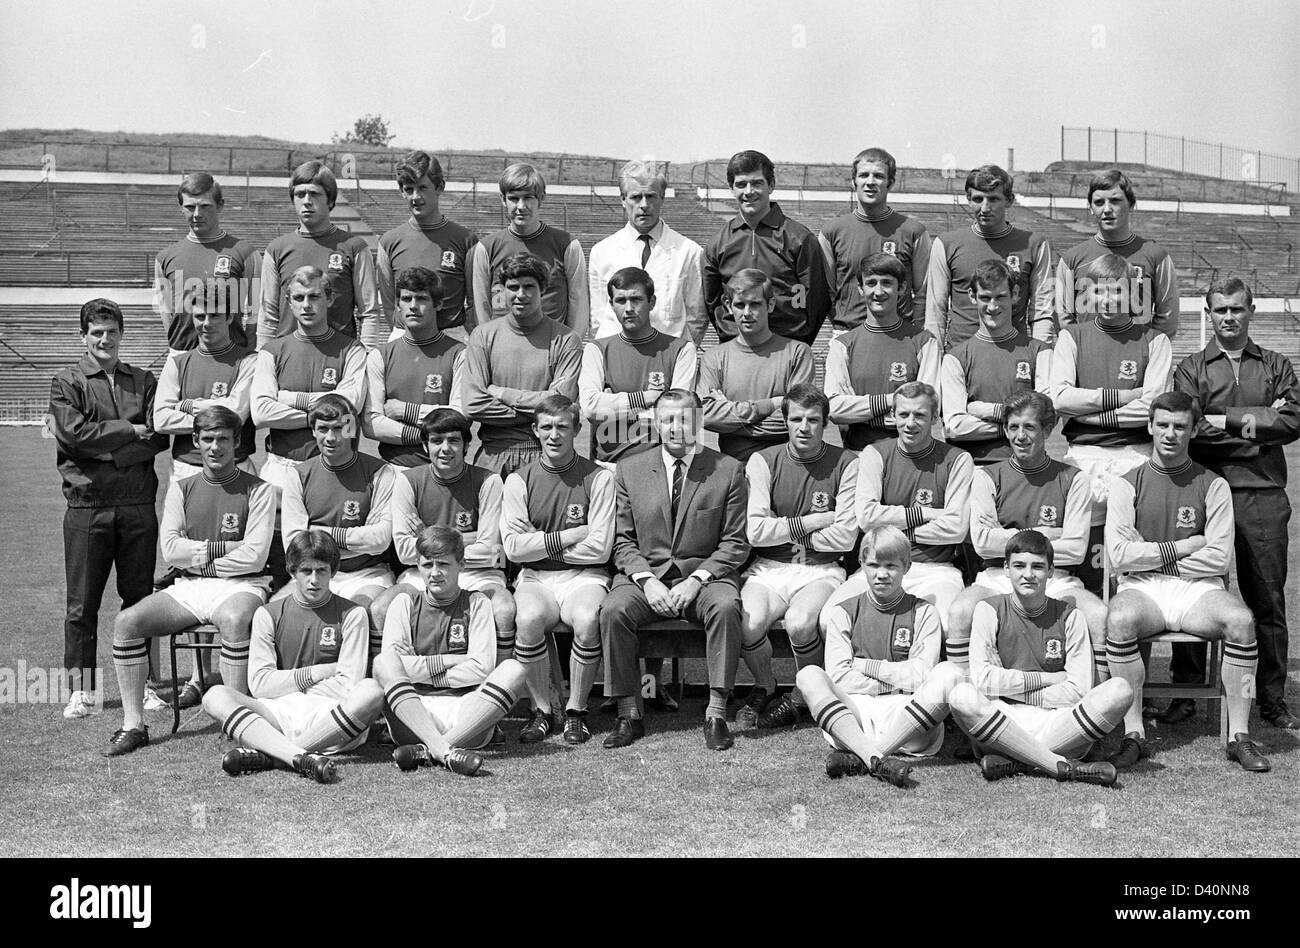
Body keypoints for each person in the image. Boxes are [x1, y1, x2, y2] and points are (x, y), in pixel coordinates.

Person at [1104, 391, 1271, 772]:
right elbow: (1119, 555)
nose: (1169, 434)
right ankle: (1134, 733)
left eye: (1179, 426)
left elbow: (1218, 556)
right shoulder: (1126, 484)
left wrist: (1155, 556)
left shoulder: (1213, 485)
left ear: (1194, 429)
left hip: (1198, 590)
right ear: (1149, 426)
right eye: (1162, 425)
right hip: (1142, 589)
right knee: (1119, 619)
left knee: (1242, 622)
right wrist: (1185, 546)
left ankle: (1239, 735)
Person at [100, 407, 275, 756]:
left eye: (223, 439)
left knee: (236, 619)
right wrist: (226, 547)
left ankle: (237, 720)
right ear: (195, 441)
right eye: (207, 439)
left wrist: (198, 554)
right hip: (191, 585)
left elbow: (254, 556)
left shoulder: (260, 490)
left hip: (244, 584)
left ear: (237, 442)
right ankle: (134, 724)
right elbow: (171, 551)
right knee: (128, 622)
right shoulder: (181, 489)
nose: (215, 447)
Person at [1169, 278, 1300, 729]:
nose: (1229, 317)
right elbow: (1190, 428)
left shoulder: (1276, 364)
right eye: (1220, 309)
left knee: (1267, 599)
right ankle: (1185, 692)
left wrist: (1224, 420)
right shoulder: (1191, 368)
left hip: (1260, 495)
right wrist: (1259, 431)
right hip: (1203, 491)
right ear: (1208, 313)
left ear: (1251, 311)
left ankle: (1270, 696)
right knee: (1194, 593)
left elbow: (1293, 420)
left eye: (1237, 309)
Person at [600, 390, 750, 751]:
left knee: (727, 606)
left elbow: (735, 543)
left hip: (704, 577)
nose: (676, 427)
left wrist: (697, 580)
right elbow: (622, 541)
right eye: (667, 419)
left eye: (684, 418)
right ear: (656, 422)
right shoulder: (630, 469)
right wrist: (647, 581)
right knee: (613, 609)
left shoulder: (727, 470)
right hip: (646, 577)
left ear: (698, 421)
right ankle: (628, 713)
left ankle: (716, 713)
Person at [48, 298, 168, 720]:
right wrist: (127, 431)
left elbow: (158, 436)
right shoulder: (67, 381)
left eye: (111, 331)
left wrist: (110, 452)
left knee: (139, 600)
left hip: (137, 503)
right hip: (88, 505)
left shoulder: (145, 379)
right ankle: (82, 690)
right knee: (82, 604)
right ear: (83, 336)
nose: (104, 339)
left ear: (121, 334)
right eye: (96, 332)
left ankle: (148, 684)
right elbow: (73, 435)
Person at [947, 391, 1109, 683]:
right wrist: (1046, 534)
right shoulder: (987, 476)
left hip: (1056, 579)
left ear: (1047, 430)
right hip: (998, 575)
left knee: (1097, 614)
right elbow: (983, 543)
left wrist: (1006, 537)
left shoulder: (1074, 478)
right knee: (960, 610)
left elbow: (1074, 550)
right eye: (1013, 427)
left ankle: (1095, 705)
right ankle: (962, 701)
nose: (1020, 436)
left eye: (1030, 427)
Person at [947, 530, 1130, 786]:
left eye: (1038, 567)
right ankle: (1062, 767)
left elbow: (1078, 691)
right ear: (1006, 569)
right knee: (961, 696)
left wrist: (1011, 687)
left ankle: (1017, 761)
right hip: (1004, 717)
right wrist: (1050, 678)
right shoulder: (988, 609)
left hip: (1057, 720)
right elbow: (983, 681)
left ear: (1051, 571)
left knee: (1120, 690)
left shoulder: (1070, 615)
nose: (1028, 574)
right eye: (1019, 565)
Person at [202, 532, 384, 784]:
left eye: (321, 570)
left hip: (330, 718)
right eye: (305, 571)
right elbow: (260, 685)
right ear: (291, 571)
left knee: (370, 691)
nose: (313, 580)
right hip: (278, 713)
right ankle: (298, 755)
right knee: (215, 695)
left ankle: (277, 754)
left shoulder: (352, 615)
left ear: (333, 571)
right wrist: (319, 672)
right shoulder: (268, 614)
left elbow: (347, 687)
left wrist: (285, 683)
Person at [797, 526, 962, 786]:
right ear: (861, 564)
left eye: (891, 566)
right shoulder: (843, 612)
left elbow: (921, 678)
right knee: (808, 675)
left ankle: (865, 756)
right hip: (855, 718)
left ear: (907, 566)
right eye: (873, 564)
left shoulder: (924, 612)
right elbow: (839, 678)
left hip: (909, 719)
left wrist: (863, 665)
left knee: (950, 673)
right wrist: (899, 675)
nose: (881, 574)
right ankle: (876, 760)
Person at [736, 384, 858, 731]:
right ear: (785, 421)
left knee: (801, 622)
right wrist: (814, 521)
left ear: (826, 423)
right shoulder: (763, 460)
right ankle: (766, 684)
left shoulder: (847, 463)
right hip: (770, 567)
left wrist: (783, 527)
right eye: (796, 419)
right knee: (748, 623)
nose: (804, 427)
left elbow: (845, 537)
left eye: (813, 420)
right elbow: (756, 531)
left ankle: (805, 695)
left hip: (820, 569)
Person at [1049, 253, 1172, 593]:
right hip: (1082, 457)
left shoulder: (1155, 340)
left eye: (1117, 290)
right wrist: (1121, 397)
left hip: (1136, 455)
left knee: (1133, 562)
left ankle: (1132, 637)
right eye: (1100, 290)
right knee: (1083, 557)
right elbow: (1059, 398)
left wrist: (1087, 413)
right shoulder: (1071, 336)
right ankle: (1090, 638)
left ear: (1134, 292)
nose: (1108, 299)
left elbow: (1153, 407)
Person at [500, 395, 614, 744]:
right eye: (546, 427)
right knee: (529, 617)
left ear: (577, 429)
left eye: (563, 426)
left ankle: (576, 712)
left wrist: (542, 545)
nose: (554, 434)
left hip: (587, 576)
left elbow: (601, 547)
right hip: (537, 577)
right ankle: (542, 710)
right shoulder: (519, 480)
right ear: (535, 430)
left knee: (587, 619)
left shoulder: (600, 477)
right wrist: (569, 537)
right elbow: (513, 547)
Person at [372, 526, 528, 776]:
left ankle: (430, 750)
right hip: (415, 708)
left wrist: (417, 665)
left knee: (513, 669)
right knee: (383, 662)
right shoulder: (404, 603)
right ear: (418, 565)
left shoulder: (477, 603)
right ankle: (445, 752)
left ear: (461, 564)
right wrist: (455, 660)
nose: (435, 573)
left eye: (443, 564)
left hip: (466, 709)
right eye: (427, 565)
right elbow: (393, 665)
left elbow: (481, 669)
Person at [250, 266, 367, 584]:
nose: (307, 304)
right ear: (288, 302)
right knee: (283, 567)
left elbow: (349, 406)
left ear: (329, 298)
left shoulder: (352, 349)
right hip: (283, 467)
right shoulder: (272, 351)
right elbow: (261, 412)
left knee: (331, 568)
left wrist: (288, 398)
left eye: (314, 296)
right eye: (298, 298)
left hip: (336, 470)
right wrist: (321, 415)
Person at [828, 382, 972, 631]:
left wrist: (890, 531)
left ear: (935, 417)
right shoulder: (874, 453)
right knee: (829, 618)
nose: (910, 423)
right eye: (903, 414)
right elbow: (867, 518)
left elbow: (956, 527)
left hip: (935, 570)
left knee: (947, 625)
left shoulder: (958, 459)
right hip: (880, 565)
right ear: (893, 415)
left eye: (920, 415)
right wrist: (927, 514)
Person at [377, 407, 515, 666]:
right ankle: (388, 689)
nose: (445, 448)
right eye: (437, 441)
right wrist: (470, 538)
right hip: (421, 574)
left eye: (453, 440)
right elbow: (405, 551)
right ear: (425, 445)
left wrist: (427, 536)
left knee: (504, 610)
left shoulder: (489, 481)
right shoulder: (407, 481)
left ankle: (501, 688)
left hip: (478, 574)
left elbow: (491, 551)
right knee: (380, 608)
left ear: (466, 445)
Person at [277, 394, 394, 665]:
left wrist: (322, 533)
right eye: (323, 429)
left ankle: (365, 688)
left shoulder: (380, 472)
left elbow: (379, 539)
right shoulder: (298, 474)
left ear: (352, 429)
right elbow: (294, 543)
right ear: (313, 430)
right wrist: (352, 540)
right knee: (273, 611)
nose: (331, 437)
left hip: (366, 574)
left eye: (340, 428)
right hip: (313, 572)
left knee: (359, 611)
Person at [463, 252, 582, 478]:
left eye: (529, 286)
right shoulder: (483, 336)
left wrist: (502, 393)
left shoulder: (566, 339)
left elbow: (561, 403)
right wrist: (538, 413)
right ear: (502, 290)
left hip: (546, 454)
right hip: (493, 455)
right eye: (513, 287)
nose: (520, 294)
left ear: (543, 290)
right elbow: (473, 404)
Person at [702, 149, 830, 346]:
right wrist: (730, 338)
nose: (749, 191)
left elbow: (816, 301)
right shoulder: (718, 244)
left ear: (771, 185)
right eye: (741, 184)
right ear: (731, 188)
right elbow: (713, 303)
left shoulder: (799, 238)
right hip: (737, 349)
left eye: (757, 183)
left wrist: (797, 343)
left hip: (787, 347)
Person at [925, 164, 1053, 348]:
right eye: (978, 199)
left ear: (1009, 200)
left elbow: (1042, 311)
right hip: (960, 357)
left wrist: (1042, 357)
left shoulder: (1034, 244)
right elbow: (936, 313)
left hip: (1014, 356)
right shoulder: (946, 244)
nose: (985, 208)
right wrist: (934, 363)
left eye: (993, 199)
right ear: (968, 199)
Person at [579, 266, 698, 465]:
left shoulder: (681, 350)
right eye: (620, 300)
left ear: (652, 302)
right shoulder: (597, 349)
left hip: (659, 468)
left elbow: (678, 415)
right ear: (611, 304)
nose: (628, 308)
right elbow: (590, 408)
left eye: (636, 299)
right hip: (609, 465)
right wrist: (648, 398)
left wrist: (611, 405)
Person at [257, 160, 383, 348]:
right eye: (300, 194)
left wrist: (367, 355)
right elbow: (268, 314)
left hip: (340, 356)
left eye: (314, 194)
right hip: (288, 356)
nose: (307, 201)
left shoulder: (354, 247)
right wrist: (262, 355)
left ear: (330, 200)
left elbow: (369, 312)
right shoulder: (276, 249)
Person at [825, 252, 942, 450]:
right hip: (858, 455)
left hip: (911, 457)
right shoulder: (842, 345)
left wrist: (861, 416)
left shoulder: (924, 342)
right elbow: (834, 409)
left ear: (902, 288)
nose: (878, 292)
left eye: (886, 283)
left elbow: (928, 408)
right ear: (861, 289)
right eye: (871, 283)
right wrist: (895, 401)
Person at [698, 269, 816, 462]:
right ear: (728, 306)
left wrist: (730, 415)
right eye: (739, 304)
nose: (746, 313)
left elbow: (798, 418)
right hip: (733, 469)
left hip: (783, 466)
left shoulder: (797, 353)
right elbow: (704, 416)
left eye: (755, 304)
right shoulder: (714, 357)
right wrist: (770, 405)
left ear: (770, 304)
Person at [942, 260, 1052, 465]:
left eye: (1000, 297)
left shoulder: (1039, 352)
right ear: (972, 296)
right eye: (985, 298)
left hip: (1027, 470)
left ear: (1015, 294)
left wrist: (985, 411)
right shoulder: (955, 358)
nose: (992, 307)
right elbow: (955, 427)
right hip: (973, 470)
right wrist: (1020, 424)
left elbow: (1045, 418)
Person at [587, 160, 707, 344]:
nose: (644, 205)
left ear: (662, 197)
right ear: (622, 199)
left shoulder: (689, 251)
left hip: (668, 357)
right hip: (617, 357)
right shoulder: (602, 252)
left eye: (651, 196)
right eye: (636, 197)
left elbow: (696, 317)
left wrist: (680, 355)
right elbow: (597, 318)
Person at [1056, 169, 1178, 340]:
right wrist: (1081, 349)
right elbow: (1064, 318)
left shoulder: (1156, 256)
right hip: (1088, 358)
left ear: (1131, 204)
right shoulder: (1072, 259)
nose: (1107, 209)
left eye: (1115, 201)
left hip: (1138, 360)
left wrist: (1149, 350)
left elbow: (1167, 316)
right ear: (1090, 208)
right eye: (1098, 203)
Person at [818, 147, 932, 332]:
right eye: (863, 175)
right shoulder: (831, 232)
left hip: (899, 335)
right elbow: (826, 292)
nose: (870, 182)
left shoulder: (914, 232)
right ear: (853, 182)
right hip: (848, 334)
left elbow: (923, 293)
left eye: (878, 176)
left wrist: (915, 333)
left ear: (891, 182)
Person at [363, 266, 466, 469]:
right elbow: (370, 424)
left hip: (446, 470)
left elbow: (459, 418)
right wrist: (429, 437)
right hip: (394, 469)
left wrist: (406, 410)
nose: (413, 306)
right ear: (398, 305)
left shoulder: (460, 353)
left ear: (438, 304)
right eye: (406, 299)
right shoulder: (380, 356)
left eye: (422, 299)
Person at [471, 162, 588, 336]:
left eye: (528, 198)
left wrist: (571, 346)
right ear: (503, 200)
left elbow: (578, 304)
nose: (521, 206)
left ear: (541, 198)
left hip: (553, 347)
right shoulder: (486, 248)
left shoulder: (567, 245)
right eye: (513, 198)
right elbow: (482, 307)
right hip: (503, 347)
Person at [154, 289, 258, 482]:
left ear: (229, 317)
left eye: (215, 316)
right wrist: (219, 412)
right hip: (186, 469)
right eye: (200, 316)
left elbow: (236, 413)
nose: (207, 324)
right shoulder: (177, 362)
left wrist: (187, 406)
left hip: (236, 466)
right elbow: (161, 420)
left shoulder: (249, 360)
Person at [376, 151, 478, 341]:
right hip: (405, 336)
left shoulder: (466, 240)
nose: (415, 196)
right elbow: (390, 303)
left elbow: (475, 301)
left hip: (451, 336)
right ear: (401, 191)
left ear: (439, 187)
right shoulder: (389, 242)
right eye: (409, 189)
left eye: (423, 187)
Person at [153, 171, 256, 352]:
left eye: (205, 206)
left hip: (232, 357)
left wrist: (248, 353)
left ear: (220, 205)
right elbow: (166, 312)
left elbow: (257, 311)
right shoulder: (164, 258)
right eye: (190, 207)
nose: (197, 214)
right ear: (180, 207)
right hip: (182, 355)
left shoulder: (245, 253)